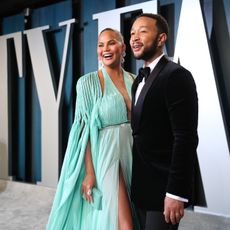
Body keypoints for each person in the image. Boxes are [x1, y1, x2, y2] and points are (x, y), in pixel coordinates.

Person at [46, 28, 139, 230]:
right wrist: (89, 172)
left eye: (111, 43)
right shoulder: (87, 83)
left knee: (133, 214)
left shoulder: (136, 80)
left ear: (123, 48)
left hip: (134, 153)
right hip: (106, 155)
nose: (105, 49)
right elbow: (83, 132)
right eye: (100, 44)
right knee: (125, 224)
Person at [130, 13, 198, 230]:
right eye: (132, 33)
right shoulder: (138, 81)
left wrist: (176, 192)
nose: (134, 38)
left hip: (165, 189)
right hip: (141, 188)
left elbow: (185, 138)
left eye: (143, 31)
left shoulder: (177, 76)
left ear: (161, 39)